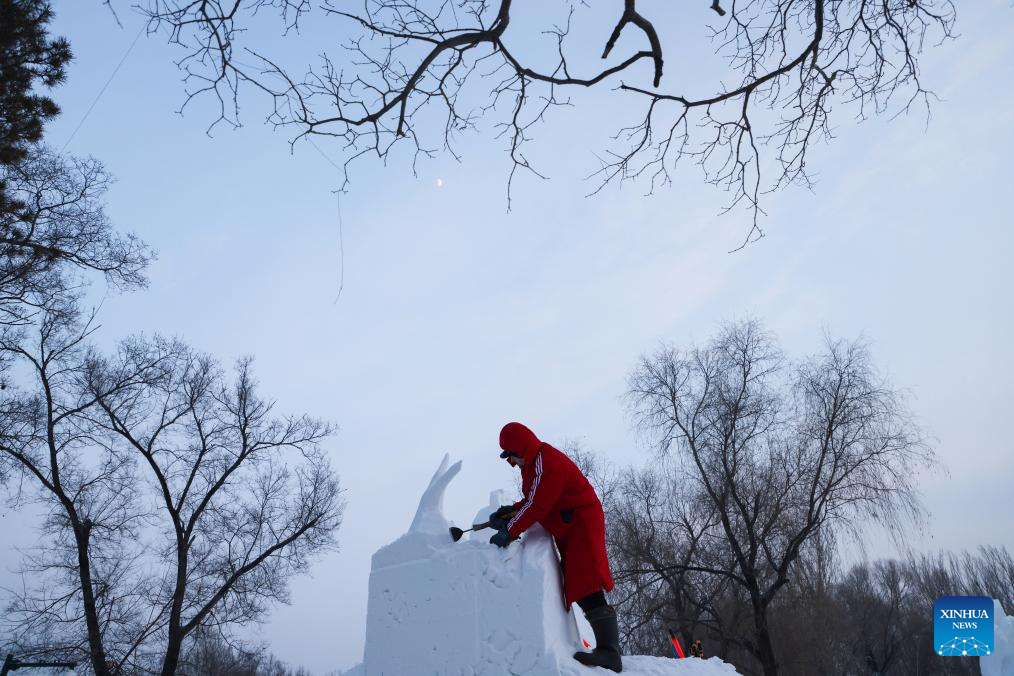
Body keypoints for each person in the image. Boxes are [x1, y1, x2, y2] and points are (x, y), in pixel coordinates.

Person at [488, 421, 622, 673]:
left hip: (582, 522)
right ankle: (607, 649)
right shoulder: (534, 463)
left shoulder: (547, 464)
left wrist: (510, 530)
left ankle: (610, 653)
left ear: (521, 449)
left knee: (585, 580)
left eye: (513, 456)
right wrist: (511, 512)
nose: (513, 462)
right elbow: (533, 500)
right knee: (577, 580)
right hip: (570, 524)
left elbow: (538, 506)